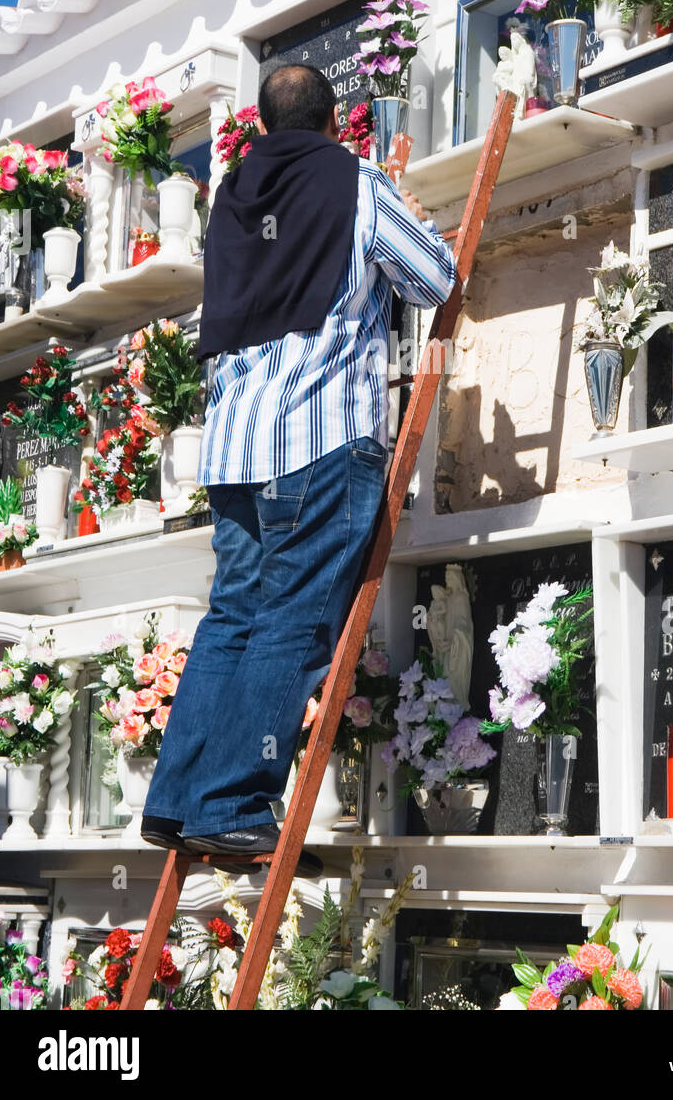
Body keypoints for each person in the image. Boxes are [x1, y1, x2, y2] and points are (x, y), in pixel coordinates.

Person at [141, 64, 456, 868]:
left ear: (259, 123)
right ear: (335, 120)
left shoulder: (234, 196)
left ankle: (177, 798)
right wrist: (407, 209)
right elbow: (434, 278)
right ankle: (235, 804)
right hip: (319, 439)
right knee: (294, 620)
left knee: (233, 617)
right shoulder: (356, 180)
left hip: (234, 449)